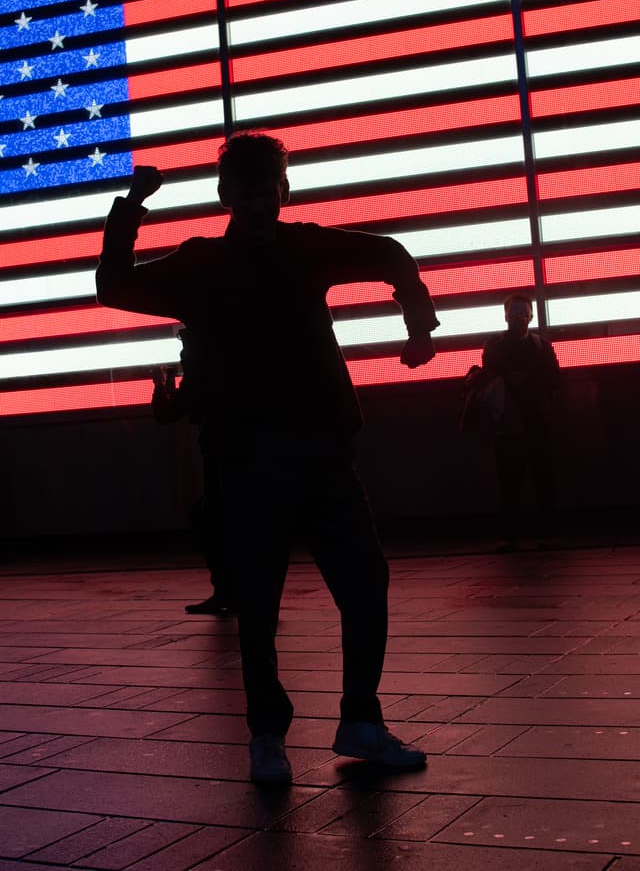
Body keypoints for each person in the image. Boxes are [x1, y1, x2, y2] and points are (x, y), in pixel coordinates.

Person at [96, 131, 439, 784]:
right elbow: (389, 255)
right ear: (232, 196)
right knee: (286, 599)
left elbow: (114, 283)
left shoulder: (212, 264)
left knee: (328, 592)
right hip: (280, 457)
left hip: (281, 457)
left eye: (264, 192)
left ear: (279, 193)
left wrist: (132, 208)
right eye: (247, 193)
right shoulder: (277, 251)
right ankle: (312, 727)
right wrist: (417, 323)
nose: (256, 205)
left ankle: (294, 732)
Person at [150, 330, 234, 616]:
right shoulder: (226, 367)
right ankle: (239, 591)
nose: (183, 354)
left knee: (211, 518)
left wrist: (160, 385)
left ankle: (227, 591)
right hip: (242, 451)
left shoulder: (200, 374)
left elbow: (166, 413)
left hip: (219, 452)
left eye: (185, 346)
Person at [481, 292, 562, 550]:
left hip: (510, 421)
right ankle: (546, 533)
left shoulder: (494, 345)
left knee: (512, 479)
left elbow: (490, 371)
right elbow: (552, 377)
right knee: (538, 477)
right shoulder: (541, 346)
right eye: (515, 312)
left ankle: (512, 535)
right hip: (535, 419)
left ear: (529, 315)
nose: (518, 316)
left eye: (521, 312)